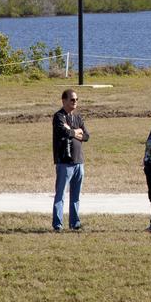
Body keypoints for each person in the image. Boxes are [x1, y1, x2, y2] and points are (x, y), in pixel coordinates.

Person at [51, 89, 89, 231]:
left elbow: (86, 136)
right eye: (72, 99)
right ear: (64, 100)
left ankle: (74, 222)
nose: (75, 102)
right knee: (60, 194)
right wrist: (75, 131)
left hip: (79, 161)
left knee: (75, 195)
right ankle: (58, 224)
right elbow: (64, 132)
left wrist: (75, 132)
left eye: (77, 99)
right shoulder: (58, 116)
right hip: (64, 162)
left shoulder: (78, 117)